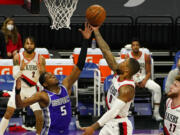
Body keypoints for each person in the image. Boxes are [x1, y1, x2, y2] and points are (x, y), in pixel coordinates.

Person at [15, 22, 93, 135]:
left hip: (66, 132)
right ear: (45, 84)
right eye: (49, 76)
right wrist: (18, 91)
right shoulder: (42, 95)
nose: (53, 75)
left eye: (53, 74)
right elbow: (19, 105)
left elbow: (79, 66)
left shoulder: (66, 85)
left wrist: (86, 41)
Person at [81, 26, 140, 135]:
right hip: (109, 121)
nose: (120, 62)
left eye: (124, 62)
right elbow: (106, 51)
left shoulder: (127, 89)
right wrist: (96, 31)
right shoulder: (119, 72)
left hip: (120, 126)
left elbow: (113, 112)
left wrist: (92, 127)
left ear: (126, 70)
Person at [0, 36, 46, 135]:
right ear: (24, 45)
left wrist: (42, 71)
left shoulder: (40, 58)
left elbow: (44, 77)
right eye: (27, 43)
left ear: (34, 45)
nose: (29, 46)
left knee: (39, 115)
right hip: (19, 88)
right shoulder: (17, 57)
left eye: (31, 44)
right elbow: (15, 76)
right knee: (9, 112)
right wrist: (21, 69)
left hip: (33, 90)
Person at [126, 38, 162, 121]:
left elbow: (149, 72)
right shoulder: (128, 56)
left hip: (143, 78)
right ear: (131, 47)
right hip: (133, 79)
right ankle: (128, 110)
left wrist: (144, 81)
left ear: (139, 46)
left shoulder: (146, 56)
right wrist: (134, 82)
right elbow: (128, 72)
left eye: (137, 45)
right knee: (126, 87)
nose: (135, 47)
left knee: (157, 88)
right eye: (133, 45)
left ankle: (156, 113)